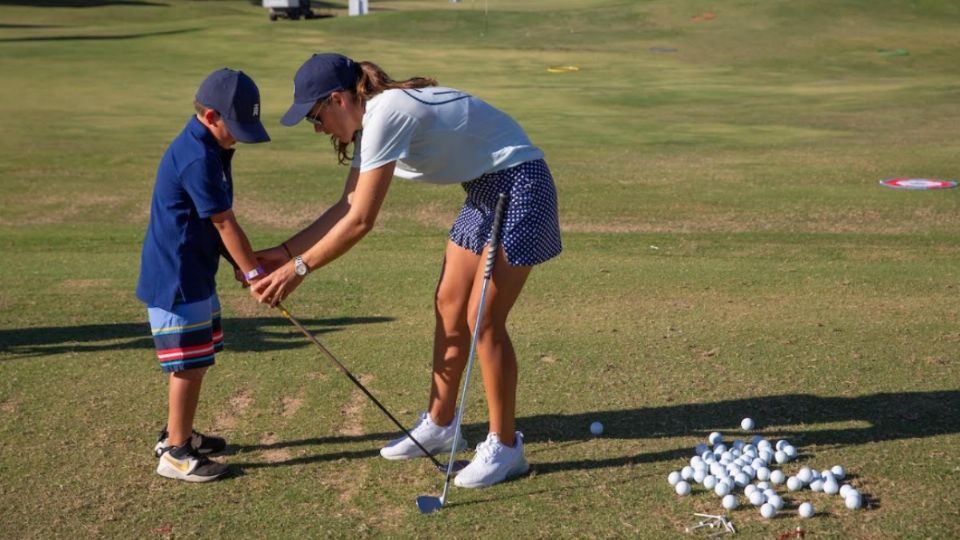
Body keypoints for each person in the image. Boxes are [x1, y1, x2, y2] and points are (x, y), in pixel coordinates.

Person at [252, 53, 561, 488]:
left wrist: (298, 268)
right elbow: (346, 206)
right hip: (486, 188)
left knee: (482, 319)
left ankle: (506, 447)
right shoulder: (374, 121)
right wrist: (283, 252)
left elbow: (361, 221)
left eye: (315, 117)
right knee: (449, 304)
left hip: (522, 184)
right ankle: (441, 423)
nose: (318, 128)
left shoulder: (385, 114)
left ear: (338, 99)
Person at [136, 68, 271, 482]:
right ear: (211, 116)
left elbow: (212, 221)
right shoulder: (197, 155)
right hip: (178, 277)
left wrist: (238, 264)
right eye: (237, 125)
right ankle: (176, 453)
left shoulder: (211, 147)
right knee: (187, 366)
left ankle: (180, 433)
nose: (240, 136)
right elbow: (223, 222)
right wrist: (253, 273)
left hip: (195, 270)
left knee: (197, 359)